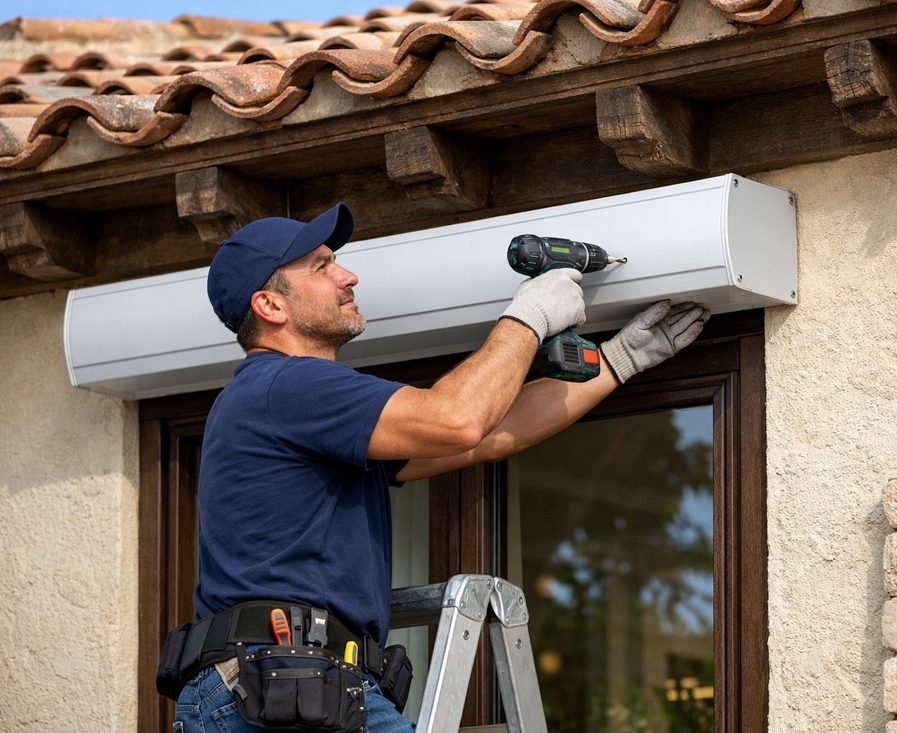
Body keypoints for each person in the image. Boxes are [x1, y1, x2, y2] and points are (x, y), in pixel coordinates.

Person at [172, 203, 709, 732]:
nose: (347, 274)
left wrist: (619, 362)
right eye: (321, 266)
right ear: (270, 305)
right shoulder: (285, 386)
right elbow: (460, 420)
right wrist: (529, 316)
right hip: (281, 686)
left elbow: (485, 437)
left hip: (291, 687)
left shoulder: (299, 410)